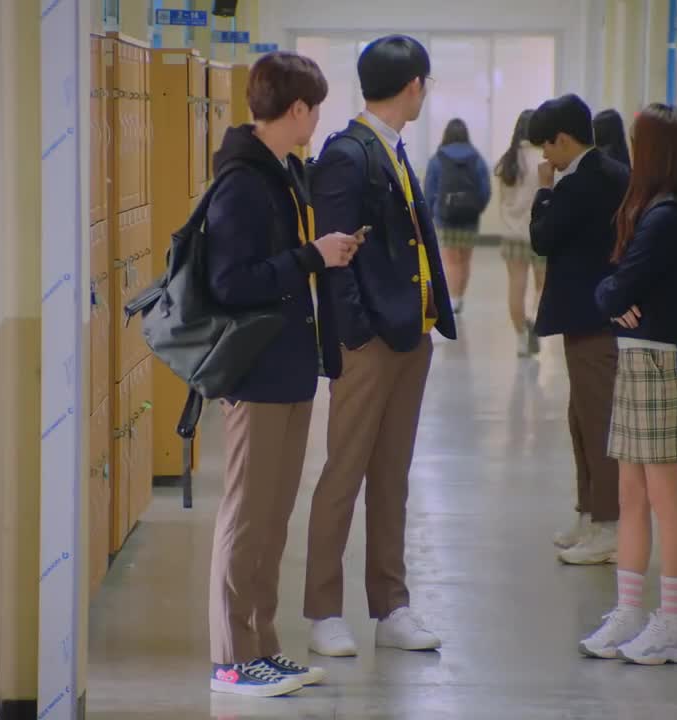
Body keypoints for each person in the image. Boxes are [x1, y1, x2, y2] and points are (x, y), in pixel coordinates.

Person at [204, 51, 365, 697]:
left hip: (290, 367)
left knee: (272, 520)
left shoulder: (284, 174)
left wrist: (318, 256)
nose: (317, 119)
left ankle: (262, 646)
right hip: (256, 373)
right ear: (296, 109)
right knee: (247, 517)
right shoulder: (243, 182)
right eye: (314, 108)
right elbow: (230, 282)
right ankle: (230, 659)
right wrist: (310, 257)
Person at [304, 34, 457, 658]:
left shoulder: (391, 148)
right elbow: (334, 258)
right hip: (369, 342)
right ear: (413, 85)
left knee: (392, 477)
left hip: (410, 336)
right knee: (345, 473)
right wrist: (357, 333)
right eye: (426, 83)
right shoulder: (348, 154)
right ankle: (323, 611)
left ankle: (392, 606)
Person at [581, 103, 677, 665]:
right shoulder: (655, 212)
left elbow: (616, 287)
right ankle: (630, 611)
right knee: (631, 495)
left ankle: (674, 625)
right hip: (637, 362)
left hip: (657, 365)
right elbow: (616, 290)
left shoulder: (667, 218)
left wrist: (613, 296)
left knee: (663, 498)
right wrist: (614, 295)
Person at [527, 93, 629, 565]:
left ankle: (609, 525)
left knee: (596, 420)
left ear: (564, 140)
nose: (546, 157)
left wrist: (544, 191)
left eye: (547, 147)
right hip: (598, 315)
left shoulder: (578, 184)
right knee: (581, 418)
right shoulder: (617, 175)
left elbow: (542, 238)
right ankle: (589, 513)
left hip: (591, 319)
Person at [424, 118, 491, 316]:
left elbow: (429, 191)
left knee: (451, 261)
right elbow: (485, 190)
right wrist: (477, 208)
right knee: (465, 261)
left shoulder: (437, 159)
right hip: (470, 218)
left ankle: (453, 301)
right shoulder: (477, 158)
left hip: (445, 218)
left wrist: (432, 213)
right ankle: (459, 297)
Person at [495, 108, 547, 357]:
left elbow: (502, 201)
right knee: (543, 285)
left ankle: (520, 338)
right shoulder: (544, 159)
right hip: (540, 233)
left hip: (512, 234)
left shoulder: (507, 161)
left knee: (516, 286)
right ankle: (535, 319)